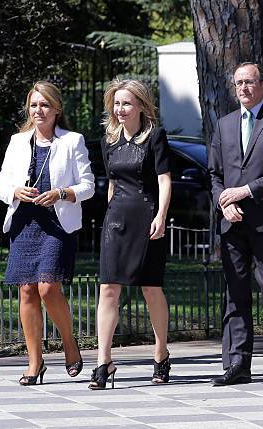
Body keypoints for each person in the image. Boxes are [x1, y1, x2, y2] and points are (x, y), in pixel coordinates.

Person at [0, 81, 95, 385]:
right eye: (34, 105)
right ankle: (34, 363)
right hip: (25, 222)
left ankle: (69, 342)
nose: (39, 110)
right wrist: (14, 190)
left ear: (57, 109)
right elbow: (1, 185)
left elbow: (88, 186)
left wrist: (61, 193)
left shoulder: (72, 141)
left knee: (48, 287)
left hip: (56, 223)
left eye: (45, 105)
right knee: (26, 290)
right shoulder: (17, 141)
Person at [209, 62, 263, 386]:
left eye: (249, 82)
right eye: (238, 83)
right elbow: (215, 175)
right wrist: (223, 202)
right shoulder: (223, 124)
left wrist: (245, 192)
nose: (244, 88)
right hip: (232, 225)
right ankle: (236, 365)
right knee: (235, 295)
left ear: (262, 86)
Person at [89, 79, 172, 390]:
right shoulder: (108, 141)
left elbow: (165, 180)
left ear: (140, 105)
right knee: (108, 289)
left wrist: (161, 216)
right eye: (116, 103)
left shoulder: (155, 137)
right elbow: (111, 182)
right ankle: (103, 361)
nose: (119, 109)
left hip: (148, 217)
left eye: (126, 103)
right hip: (116, 220)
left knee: (151, 289)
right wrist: (110, 213)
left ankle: (161, 354)